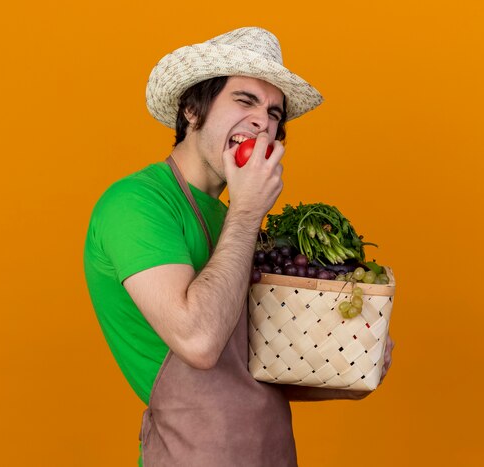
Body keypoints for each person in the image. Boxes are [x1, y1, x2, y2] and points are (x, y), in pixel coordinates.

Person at [84, 26, 394, 466]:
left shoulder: (234, 220)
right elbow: (199, 340)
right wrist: (248, 211)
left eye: (273, 113)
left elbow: (254, 368)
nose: (262, 121)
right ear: (192, 109)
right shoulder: (136, 204)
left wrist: (349, 372)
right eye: (244, 100)